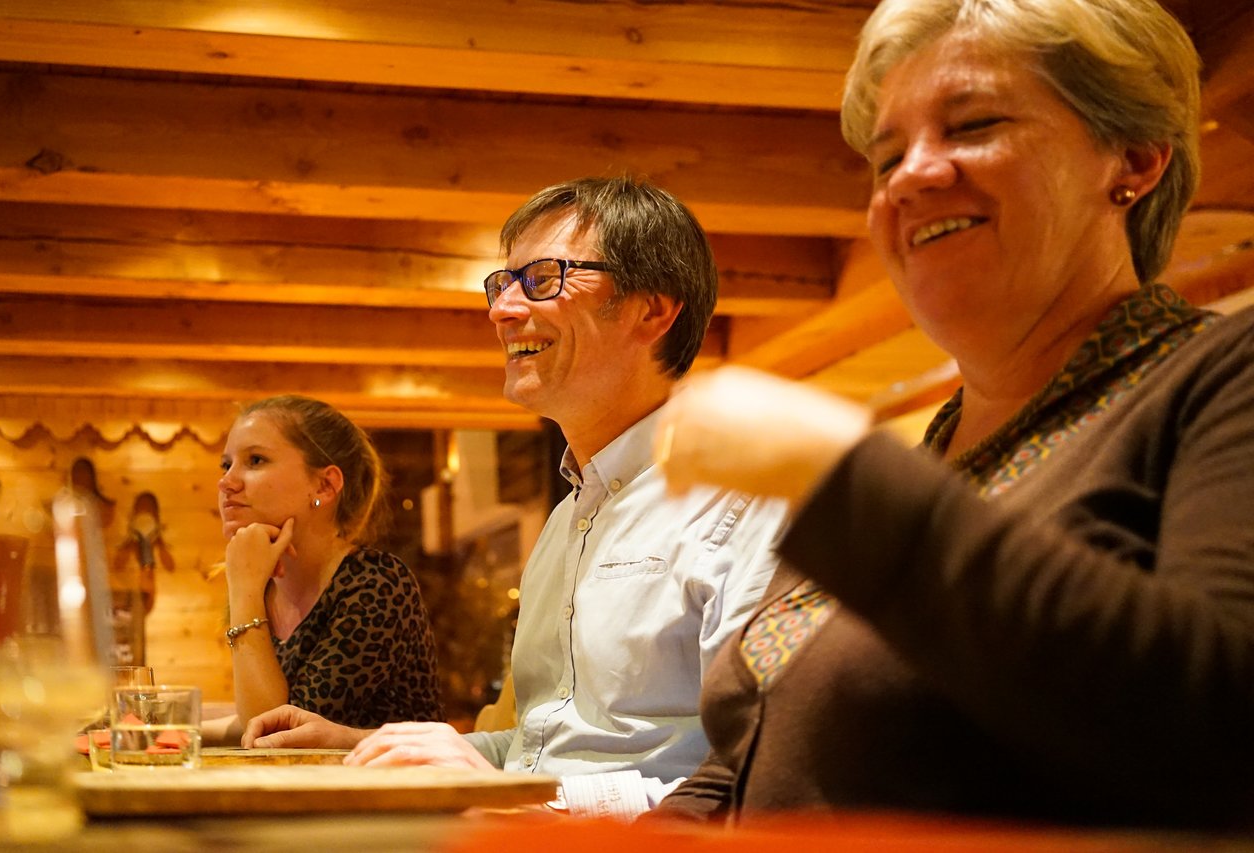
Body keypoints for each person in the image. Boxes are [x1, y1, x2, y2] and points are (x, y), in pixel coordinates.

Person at [651, 0, 1254, 830]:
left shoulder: (1223, 375)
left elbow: (1223, 723)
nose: (910, 175)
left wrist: (844, 477)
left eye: (971, 125)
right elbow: (748, 756)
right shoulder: (932, 454)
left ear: (1136, 158)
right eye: (887, 154)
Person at [242, 177, 787, 817]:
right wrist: (367, 746)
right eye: (502, 284)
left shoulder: (746, 503)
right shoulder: (566, 521)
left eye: (544, 278)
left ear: (653, 309)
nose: (502, 310)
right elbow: (541, 748)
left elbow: (757, 781)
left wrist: (523, 796)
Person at [209, 394, 443, 741]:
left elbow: (274, 735)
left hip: (390, 793)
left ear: (324, 485)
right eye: (226, 465)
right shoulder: (269, 587)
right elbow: (254, 717)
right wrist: (166, 732)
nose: (227, 482)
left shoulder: (375, 583)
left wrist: (242, 590)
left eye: (255, 460)